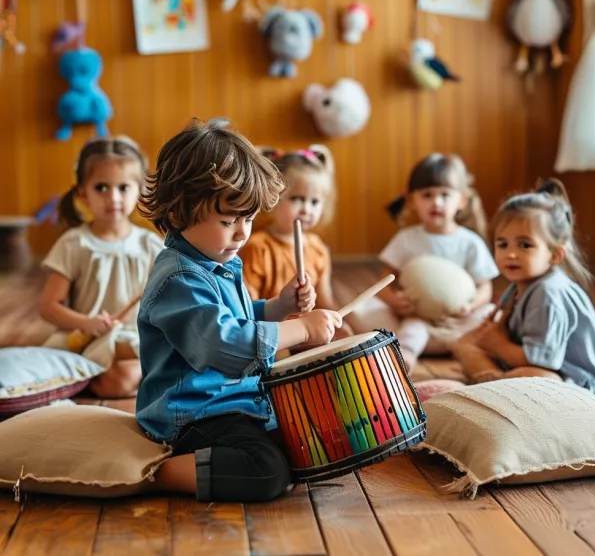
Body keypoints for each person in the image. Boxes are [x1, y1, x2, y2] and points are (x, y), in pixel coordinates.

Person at [135, 118, 342, 503]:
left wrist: (280, 306)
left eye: (248, 218)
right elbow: (224, 343)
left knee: (316, 440)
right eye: (228, 220)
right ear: (179, 214)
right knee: (267, 472)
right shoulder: (180, 279)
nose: (242, 232)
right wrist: (302, 330)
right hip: (192, 415)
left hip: (237, 404)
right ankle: (153, 473)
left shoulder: (220, 260)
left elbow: (239, 319)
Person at [452, 179, 595, 394]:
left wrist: (497, 344)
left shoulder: (548, 294)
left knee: (536, 376)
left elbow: (541, 362)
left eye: (525, 245)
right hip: (521, 363)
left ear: (555, 254)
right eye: (503, 244)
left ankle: (496, 385)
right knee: (463, 345)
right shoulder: (521, 284)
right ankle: (498, 383)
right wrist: (494, 333)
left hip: (571, 383)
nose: (511, 254)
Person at [39, 136, 163, 398]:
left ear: (140, 190)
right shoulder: (74, 243)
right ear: (83, 193)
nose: (113, 197)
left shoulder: (150, 244)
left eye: (123, 187)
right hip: (86, 336)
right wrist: (86, 323)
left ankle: (86, 375)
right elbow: (49, 307)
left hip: (133, 338)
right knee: (117, 381)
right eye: (101, 187)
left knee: (125, 376)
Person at [351, 153, 498, 373]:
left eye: (445, 195)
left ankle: (463, 346)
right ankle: (406, 355)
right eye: (427, 195)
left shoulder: (470, 242)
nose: (436, 202)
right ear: (412, 201)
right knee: (373, 312)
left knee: (492, 313)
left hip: (458, 321)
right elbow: (384, 282)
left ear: (462, 200)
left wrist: (472, 306)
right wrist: (396, 301)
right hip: (417, 318)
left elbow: (485, 287)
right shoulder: (406, 239)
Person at [240, 145, 352, 340]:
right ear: (272, 196)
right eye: (297, 199)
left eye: (314, 202)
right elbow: (248, 309)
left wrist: (338, 324)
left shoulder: (318, 249)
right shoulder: (257, 248)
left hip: (309, 333)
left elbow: (325, 301)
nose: (307, 209)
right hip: (271, 335)